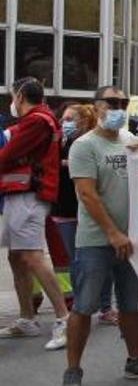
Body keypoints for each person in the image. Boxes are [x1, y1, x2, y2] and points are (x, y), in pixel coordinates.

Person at [62, 85, 138, 386]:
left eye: (123, 102)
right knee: (84, 305)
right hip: (96, 240)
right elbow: (87, 194)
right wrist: (112, 233)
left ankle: (135, 360)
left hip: (132, 241)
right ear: (97, 106)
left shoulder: (133, 142)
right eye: (112, 102)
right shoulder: (84, 146)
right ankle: (73, 368)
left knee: (130, 305)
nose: (118, 107)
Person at [0, 78, 71, 350]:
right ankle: (27, 319)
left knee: (31, 256)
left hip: (29, 195)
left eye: (12, 97)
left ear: (19, 96)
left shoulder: (37, 121)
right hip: (21, 194)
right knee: (17, 256)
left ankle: (64, 318)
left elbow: (7, 156)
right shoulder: (42, 120)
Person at [55, 104, 117, 326]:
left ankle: (105, 307)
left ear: (83, 120)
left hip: (89, 211)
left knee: (103, 261)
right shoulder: (59, 142)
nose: (65, 123)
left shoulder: (90, 143)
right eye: (63, 119)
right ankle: (81, 308)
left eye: (70, 119)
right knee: (76, 263)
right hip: (63, 210)